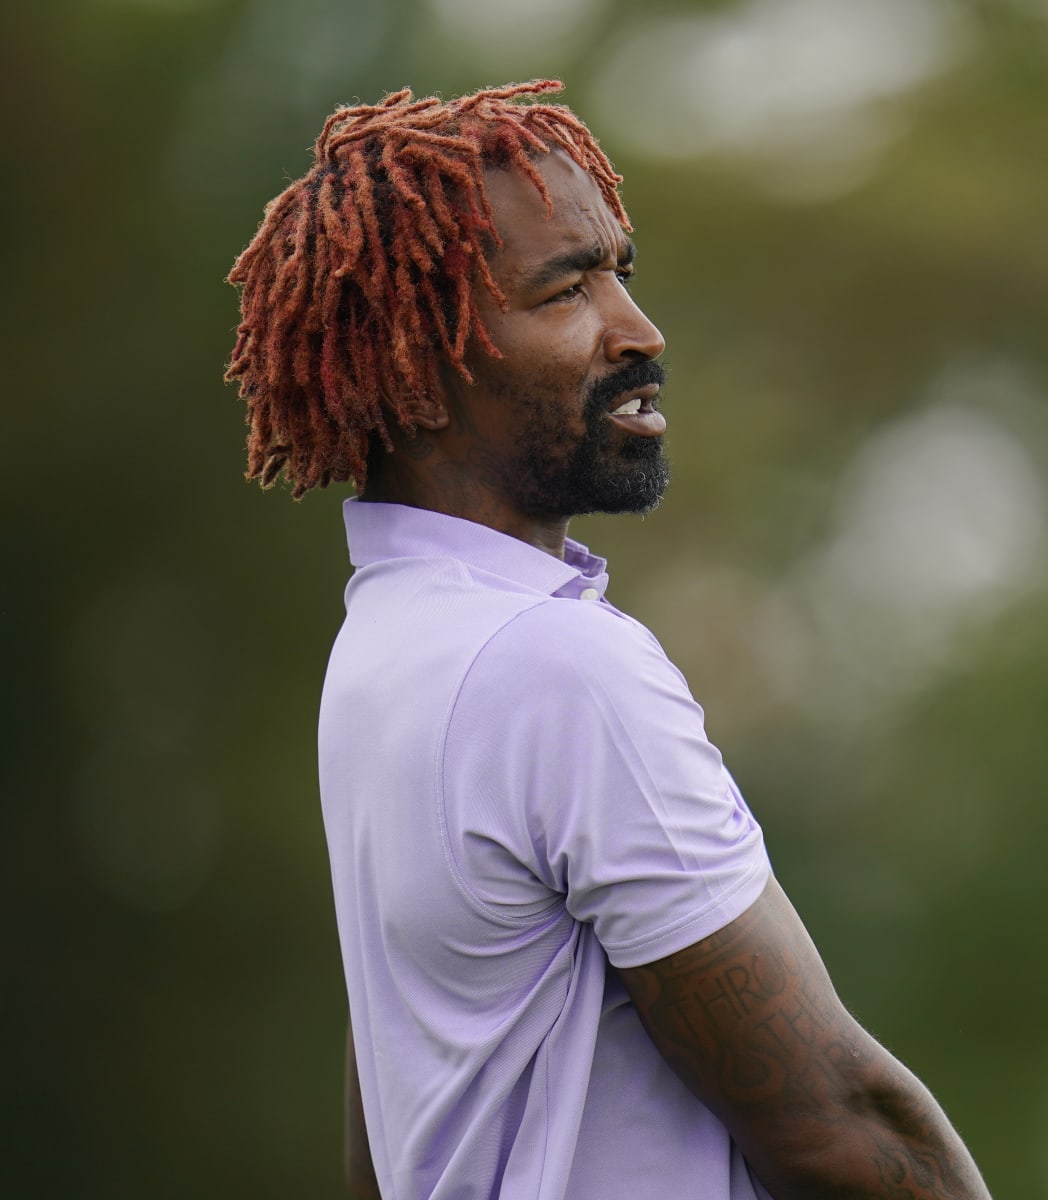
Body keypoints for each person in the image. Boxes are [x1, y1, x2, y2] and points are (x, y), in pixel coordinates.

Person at [225, 80, 991, 1200]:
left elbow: (383, 1143)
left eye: (620, 272)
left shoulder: (382, 651)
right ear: (415, 370)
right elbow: (838, 1119)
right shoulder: (553, 667)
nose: (639, 331)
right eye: (566, 290)